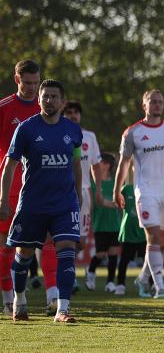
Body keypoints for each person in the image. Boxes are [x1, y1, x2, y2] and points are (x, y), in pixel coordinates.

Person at [0, 79, 82, 323]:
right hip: (33, 203)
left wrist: (78, 195)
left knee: (67, 251)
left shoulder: (73, 130)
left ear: (62, 101)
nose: (49, 100)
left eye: (54, 97)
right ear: (39, 100)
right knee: (23, 254)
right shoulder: (25, 129)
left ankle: (62, 309)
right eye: (45, 96)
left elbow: (77, 166)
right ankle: (19, 299)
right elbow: (10, 165)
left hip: (64, 203)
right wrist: (3, 199)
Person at [113, 90, 164, 300]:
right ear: (144, 105)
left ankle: (142, 277)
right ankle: (159, 286)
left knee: (162, 241)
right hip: (145, 191)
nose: (157, 105)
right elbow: (124, 164)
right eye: (153, 101)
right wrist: (117, 190)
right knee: (153, 237)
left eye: (160, 102)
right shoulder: (132, 132)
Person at [0, 60, 60, 316]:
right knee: (6, 245)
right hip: (11, 188)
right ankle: (8, 297)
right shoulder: (4, 109)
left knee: (48, 241)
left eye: (36, 83)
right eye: (27, 83)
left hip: (41, 188)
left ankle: (53, 298)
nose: (32, 88)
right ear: (17, 79)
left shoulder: (47, 111)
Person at [61, 101, 102, 254]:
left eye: (76, 112)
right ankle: (61, 274)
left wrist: (97, 189)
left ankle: (67, 272)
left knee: (81, 242)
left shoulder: (90, 137)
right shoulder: (57, 134)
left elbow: (96, 165)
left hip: (83, 191)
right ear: (63, 115)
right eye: (69, 112)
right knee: (59, 237)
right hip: (61, 190)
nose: (73, 115)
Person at [85, 153, 121, 292]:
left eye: (100, 162)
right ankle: (91, 272)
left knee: (113, 254)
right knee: (100, 254)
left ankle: (110, 282)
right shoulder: (94, 185)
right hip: (100, 224)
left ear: (106, 165)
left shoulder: (116, 184)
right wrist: (112, 204)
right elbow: (96, 203)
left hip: (114, 224)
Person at [114, 179, 146, 295]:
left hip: (144, 231)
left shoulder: (147, 187)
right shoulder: (126, 189)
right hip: (129, 231)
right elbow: (116, 201)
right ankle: (120, 285)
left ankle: (152, 284)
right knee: (124, 260)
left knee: (148, 260)